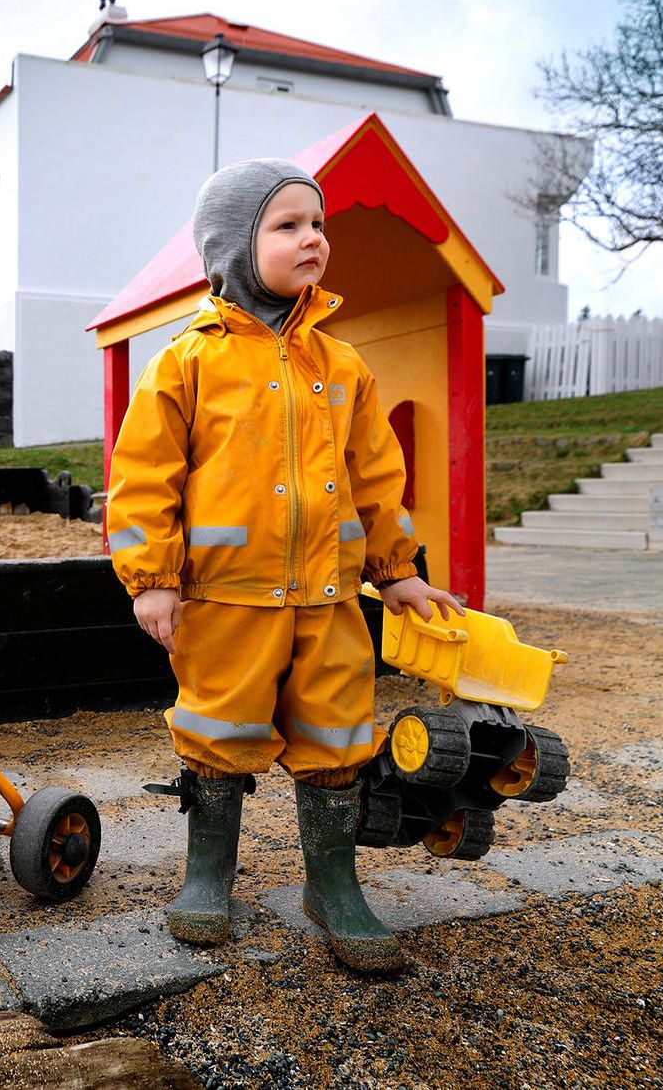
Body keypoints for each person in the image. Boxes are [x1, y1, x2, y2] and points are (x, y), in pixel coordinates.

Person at [106, 159, 463, 974]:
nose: (314, 238)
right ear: (234, 246)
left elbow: (378, 477)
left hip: (331, 597)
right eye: (288, 225)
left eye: (318, 223)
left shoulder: (343, 366)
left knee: (337, 733)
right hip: (226, 597)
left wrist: (397, 569)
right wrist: (152, 577)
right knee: (218, 729)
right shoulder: (185, 362)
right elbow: (142, 479)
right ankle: (208, 874)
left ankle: (333, 883)